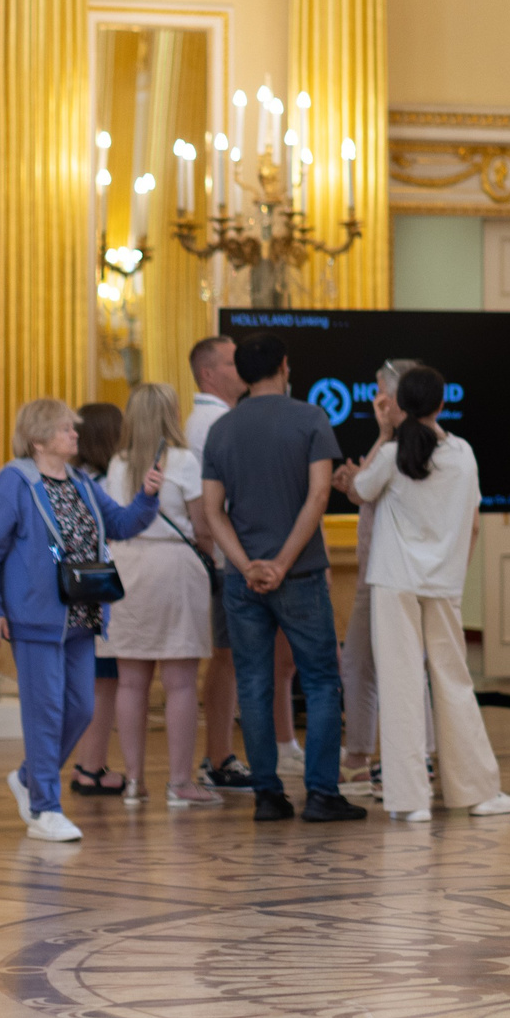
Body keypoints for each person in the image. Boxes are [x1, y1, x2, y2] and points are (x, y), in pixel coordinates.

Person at [0, 397, 162, 842]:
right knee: (46, 711)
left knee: (81, 707)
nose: (75, 435)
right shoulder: (15, 481)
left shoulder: (80, 481)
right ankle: (44, 808)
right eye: (64, 429)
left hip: (83, 611)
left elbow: (120, 522)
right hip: (36, 614)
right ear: (38, 440)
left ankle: (28, 778)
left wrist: (147, 497)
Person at [198, 332, 367, 823]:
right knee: (319, 679)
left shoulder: (223, 430)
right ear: (285, 367)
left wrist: (247, 564)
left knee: (251, 682)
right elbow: (318, 498)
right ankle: (321, 792)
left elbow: (213, 511)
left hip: (242, 580)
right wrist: (283, 562)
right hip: (302, 574)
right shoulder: (311, 418)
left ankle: (267, 795)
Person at [353, 364, 510, 822]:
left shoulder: (391, 454)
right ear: (443, 404)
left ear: (399, 405)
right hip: (443, 583)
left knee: (400, 684)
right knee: (454, 681)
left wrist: (385, 432)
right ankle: (478, 792)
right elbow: (474, 523)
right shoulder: (462, 454)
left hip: (394, 581)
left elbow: (360, 490)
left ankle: (409, 801)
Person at [105, 383, 221, 807]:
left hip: (127, 566)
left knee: (131, 682)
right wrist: (211, 561)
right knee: (180, 682)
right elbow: (202, 525)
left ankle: (134, 780)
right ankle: (179, 782)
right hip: (174, 568)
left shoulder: (118, 464)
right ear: (171, 414)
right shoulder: (185, 461)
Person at [331, 359, 419, 795]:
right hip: (395, 571)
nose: (374, 401)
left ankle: (359, 760)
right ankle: (403, 758)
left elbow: (362, 488)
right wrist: (356, 476)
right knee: (391, 664)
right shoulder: (411, 447)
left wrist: (354, 476)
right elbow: (362, 486)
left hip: (382, 572)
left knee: (361, 663)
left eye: (380, 394)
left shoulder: (395, 447)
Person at [186, 335, 250, 789]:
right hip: (228, 561)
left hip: (227, 560)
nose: (240, 367)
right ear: (208, 373)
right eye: (231, 362)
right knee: (225, 660)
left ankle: (220, 754)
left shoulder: (218, 420)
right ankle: (219, 756)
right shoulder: (214, 424)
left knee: (228, 659)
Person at [69, 402, 131, 798]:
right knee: (104, 683)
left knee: (94, 681)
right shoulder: (106, 482)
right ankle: (90, 768)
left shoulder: (73, 478)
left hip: (76, 589)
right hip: (101, 588)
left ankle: (88, 763)